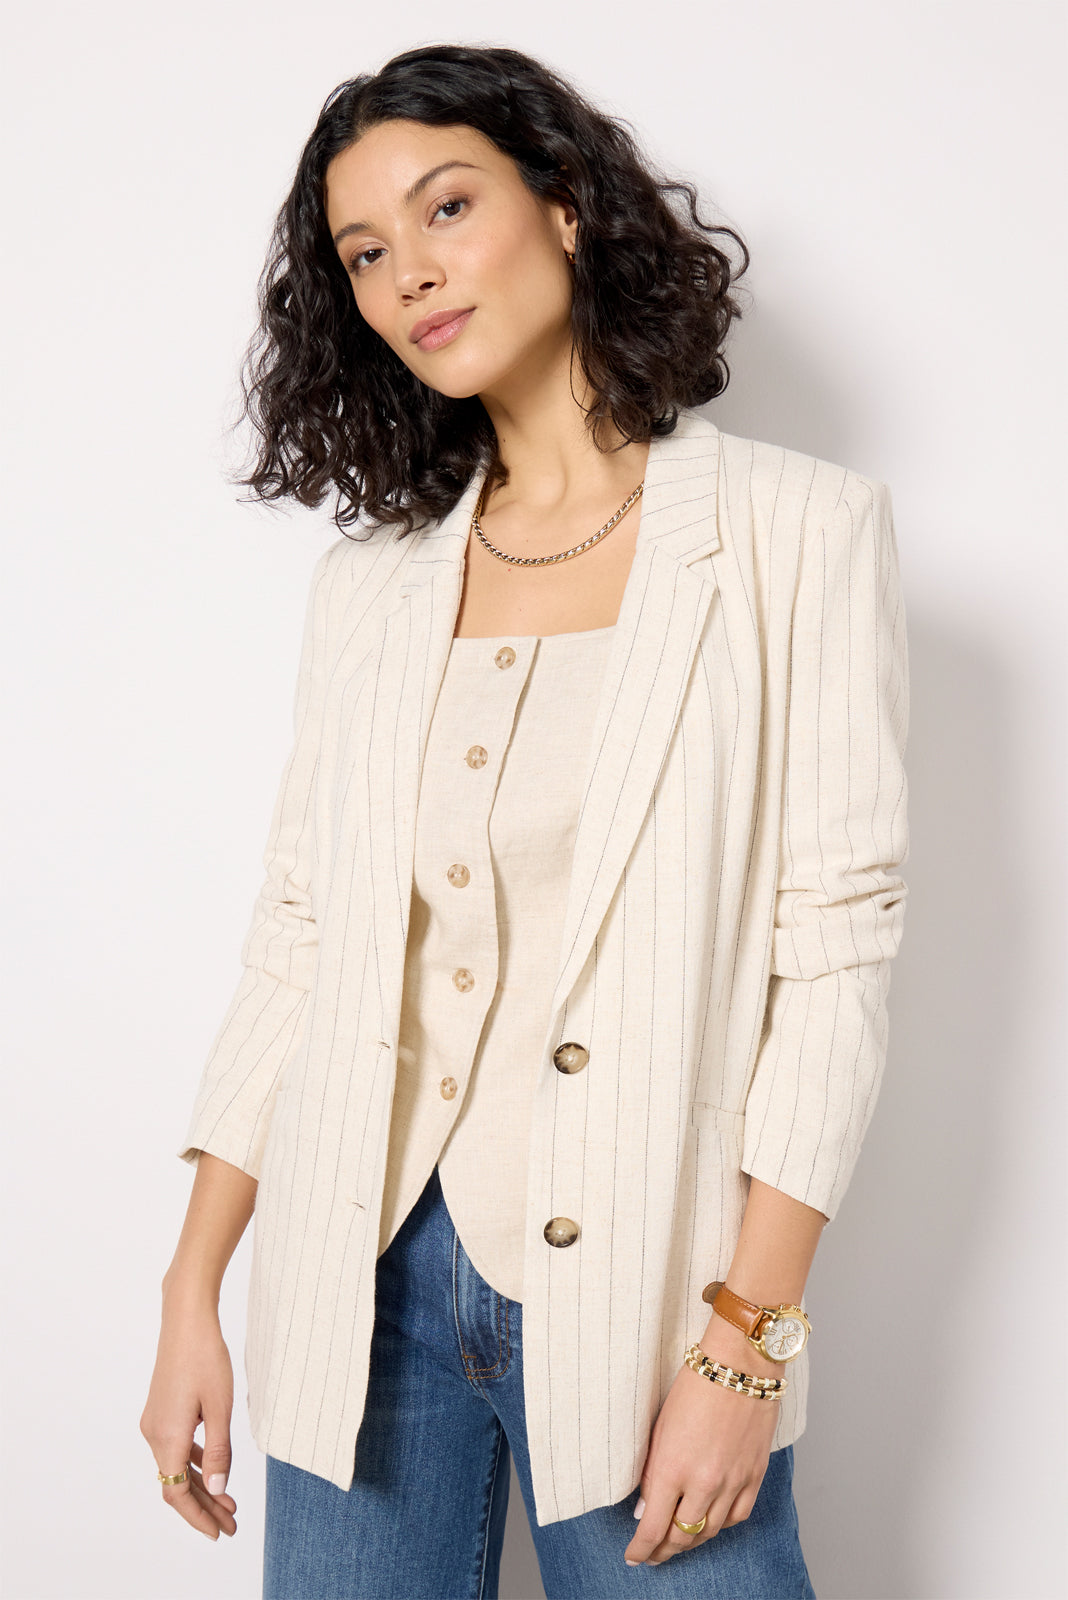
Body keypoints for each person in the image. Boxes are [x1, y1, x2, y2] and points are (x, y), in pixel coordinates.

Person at [140, 42, 910, 1600]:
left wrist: (746, 1346)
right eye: (366, 253)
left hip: (651, 1292)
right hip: (359, 1291)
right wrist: (192, 1290)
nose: (410, 274)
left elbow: (834, 961)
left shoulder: (795, 533)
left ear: (565, 207)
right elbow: (298, 937)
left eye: (446, 208)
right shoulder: (371, 588)